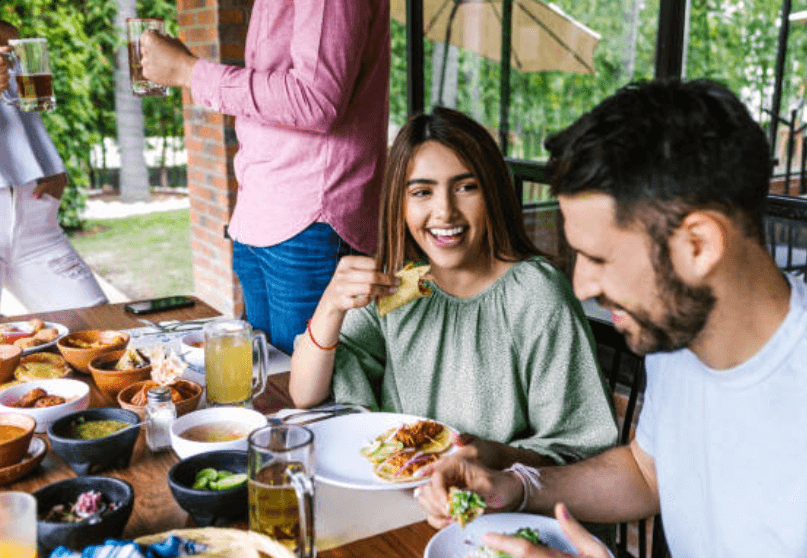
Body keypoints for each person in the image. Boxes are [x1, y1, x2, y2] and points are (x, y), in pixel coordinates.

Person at [417, 79, 807, 558]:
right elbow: (648, 473)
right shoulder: (681, 335)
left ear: (699, 245)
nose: (580, 287)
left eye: (598, 257)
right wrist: (516, 488)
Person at [289, 106, 617, 470]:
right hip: (402, 492)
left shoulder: (536, 296)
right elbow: (305, 393)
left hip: (494, 504)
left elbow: (578, 449)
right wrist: (331, 306)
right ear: (399, 203)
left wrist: (495, 459)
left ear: (492, 193)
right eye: (422, 192)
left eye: (465, 187)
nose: (445, 211)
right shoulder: (399, 284)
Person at [138, 1, 390, 354]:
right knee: (268, 383)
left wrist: (189, 72)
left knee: (308, 397)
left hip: (310, 220)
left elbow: (316, 100)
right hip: (262, 213)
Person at [0, 21, 108, 312]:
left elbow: (26, 108)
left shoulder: (7, 38)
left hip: (35, 218)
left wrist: (49, 162)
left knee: (102, 333)